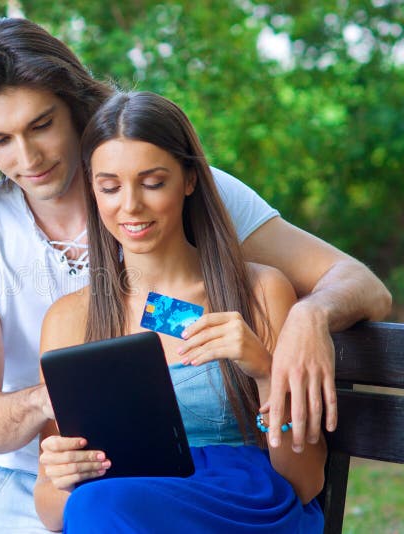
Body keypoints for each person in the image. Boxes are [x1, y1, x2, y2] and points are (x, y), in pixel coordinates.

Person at [0, 17, 390, 533]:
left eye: (41, 126)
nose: (28, 158)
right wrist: (73, 391)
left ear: (75, 109)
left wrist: (306, 321)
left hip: (138, 495)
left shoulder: (188, 197)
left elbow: (353, 283)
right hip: (6, 486)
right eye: (0, 140)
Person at [35, 90, 327, 532]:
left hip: (245, 502)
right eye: (109, 186)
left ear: (189, 179)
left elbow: (305, 484)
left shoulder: (258, 291)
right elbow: (52, 513)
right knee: (93, 505)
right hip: (123, 506)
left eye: (152, 182)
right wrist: (61, 475)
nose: (130, 205)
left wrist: (266, 374)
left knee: (99, 507)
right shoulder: (69, 319)